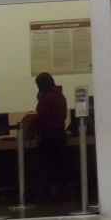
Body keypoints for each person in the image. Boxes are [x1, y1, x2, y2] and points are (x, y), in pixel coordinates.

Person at [22, 72, 68, 202]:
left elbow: (42, 118)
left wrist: (31, 119)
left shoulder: (47, 98)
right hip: (60, 134)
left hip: (49, 136)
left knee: (44, 166)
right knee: (57, 165)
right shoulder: (60, 96)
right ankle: (57, 193)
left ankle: (44, 195)